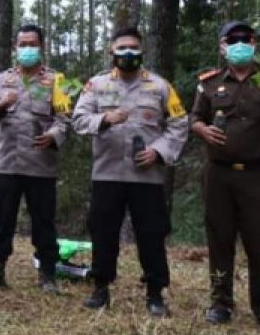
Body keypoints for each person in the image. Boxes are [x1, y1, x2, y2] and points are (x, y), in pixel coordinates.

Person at [189, 21, 260, 332]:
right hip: (219, 175)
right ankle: (220, 303)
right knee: (220, 240)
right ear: (222, 46)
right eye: (232, 39)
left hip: (259, 175)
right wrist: (202, 129)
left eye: (246, 39)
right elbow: (194, 118)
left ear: (254, 44)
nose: (240, 44)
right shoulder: (209, 83)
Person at [71, 25, 188, 317]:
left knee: (151, 233)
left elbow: (179, 124)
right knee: (103, 231)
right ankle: (101, 288)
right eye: (121, 48)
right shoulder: (96, 86)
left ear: (142, 50)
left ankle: (155, 293)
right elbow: (78, 120)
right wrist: (105, 119)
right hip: (107, 173)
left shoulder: (160, 87)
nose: (127, 53)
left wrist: (159, 151)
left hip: (146, 177)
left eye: (133, 48)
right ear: (111, 51)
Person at [0, 24, 72, 294]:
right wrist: (1, 105)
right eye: (22, 44)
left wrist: (53, 136)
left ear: (41, 46)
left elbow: (65, 119)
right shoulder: (2, 80)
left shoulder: (56, 81)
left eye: (32, 43)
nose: (27, 48)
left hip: (41, 165)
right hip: (7, 162)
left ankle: (48, 274)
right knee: (2, 218)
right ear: (15, 47)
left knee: (43, 221)